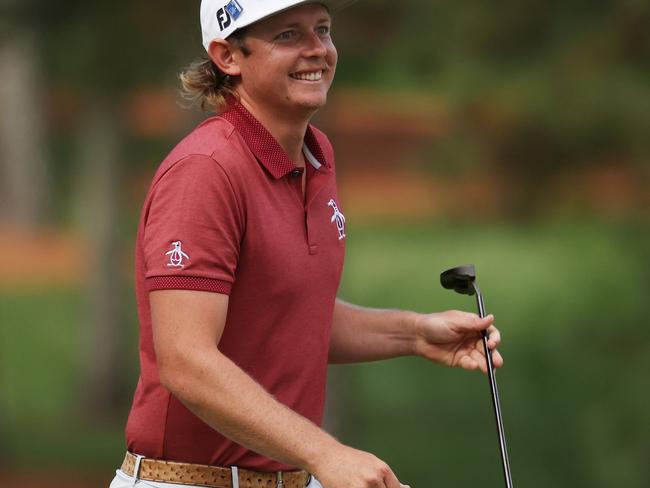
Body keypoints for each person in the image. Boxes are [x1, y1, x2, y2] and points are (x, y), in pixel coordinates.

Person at [109, 1, 503, 488]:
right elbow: (186, 360)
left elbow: (286, 313)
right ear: (227, 55)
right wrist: (326, 453)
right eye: (289, 36)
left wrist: (415, 333)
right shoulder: (206, 170)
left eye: (323, 30)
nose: (318, 50)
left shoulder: (315, 155)